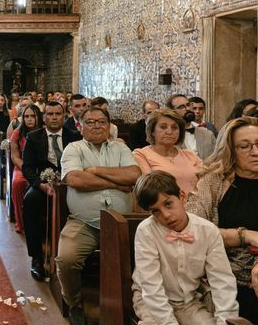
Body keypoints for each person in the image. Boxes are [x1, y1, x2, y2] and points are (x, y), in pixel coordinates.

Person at [56, 106, 140, 325]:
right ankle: (75, 303)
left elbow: (133, 175)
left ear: (109, 126)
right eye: (91, 122)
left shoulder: (120, 148)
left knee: (147, 255)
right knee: (67, 259)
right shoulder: (73, 149)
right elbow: (75, 180)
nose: (96, 126)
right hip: (84, 222)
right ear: (81, 126)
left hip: (123, 221)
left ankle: (136, 304)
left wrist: (95, 170)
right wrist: (117, 183)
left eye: (101, 122)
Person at [132, 171, 239, 325]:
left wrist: (225, 321)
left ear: (182, 196)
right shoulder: (146, 231)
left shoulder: (207, 231)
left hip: (187, 301)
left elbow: (222, 280)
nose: (166, 215)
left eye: (168, 204)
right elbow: (151, 287)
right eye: (156, 211)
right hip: (149, 299)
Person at [186, 116, 258, 322]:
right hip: (225, 272)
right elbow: (193, 230)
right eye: (245, 146)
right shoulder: (214, 182)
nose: (255, 152)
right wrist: (243, 236)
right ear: (231, 151)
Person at [22, 101, 81, 281]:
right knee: (30, 201)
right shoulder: (34, 137)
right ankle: (37, 258)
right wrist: (40, 184)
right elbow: (28, 168)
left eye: (58, 114)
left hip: (71, 183)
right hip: (43, 184)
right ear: (44, 117)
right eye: (50, 114)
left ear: (64, 116)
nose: (54, 118)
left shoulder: (75, 136)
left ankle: (75, 254)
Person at [133, 109, 202, 194]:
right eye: (163, 127)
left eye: (174, 127)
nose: (169, 132)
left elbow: (205, 181)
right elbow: (149, 189)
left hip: (197, 204)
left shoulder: (190, 154)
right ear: (152, 131)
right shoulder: (141, 154)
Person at [9, 104, 42, 234]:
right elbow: (15, 157)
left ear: (38, 117)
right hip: (22, 167)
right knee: (18, 183)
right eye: (26, 116)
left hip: (41, 167)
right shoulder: (18, 133)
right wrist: (27, 170)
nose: (29, 119)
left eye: (32, 116)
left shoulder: (44, 131)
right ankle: (21, 223)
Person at [167, 94, 215, 160]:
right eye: (181, 107)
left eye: (188, 105)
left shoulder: (208, 134)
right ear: (171, 112)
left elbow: (216, 160)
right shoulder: (168, 137)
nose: (187, 109)